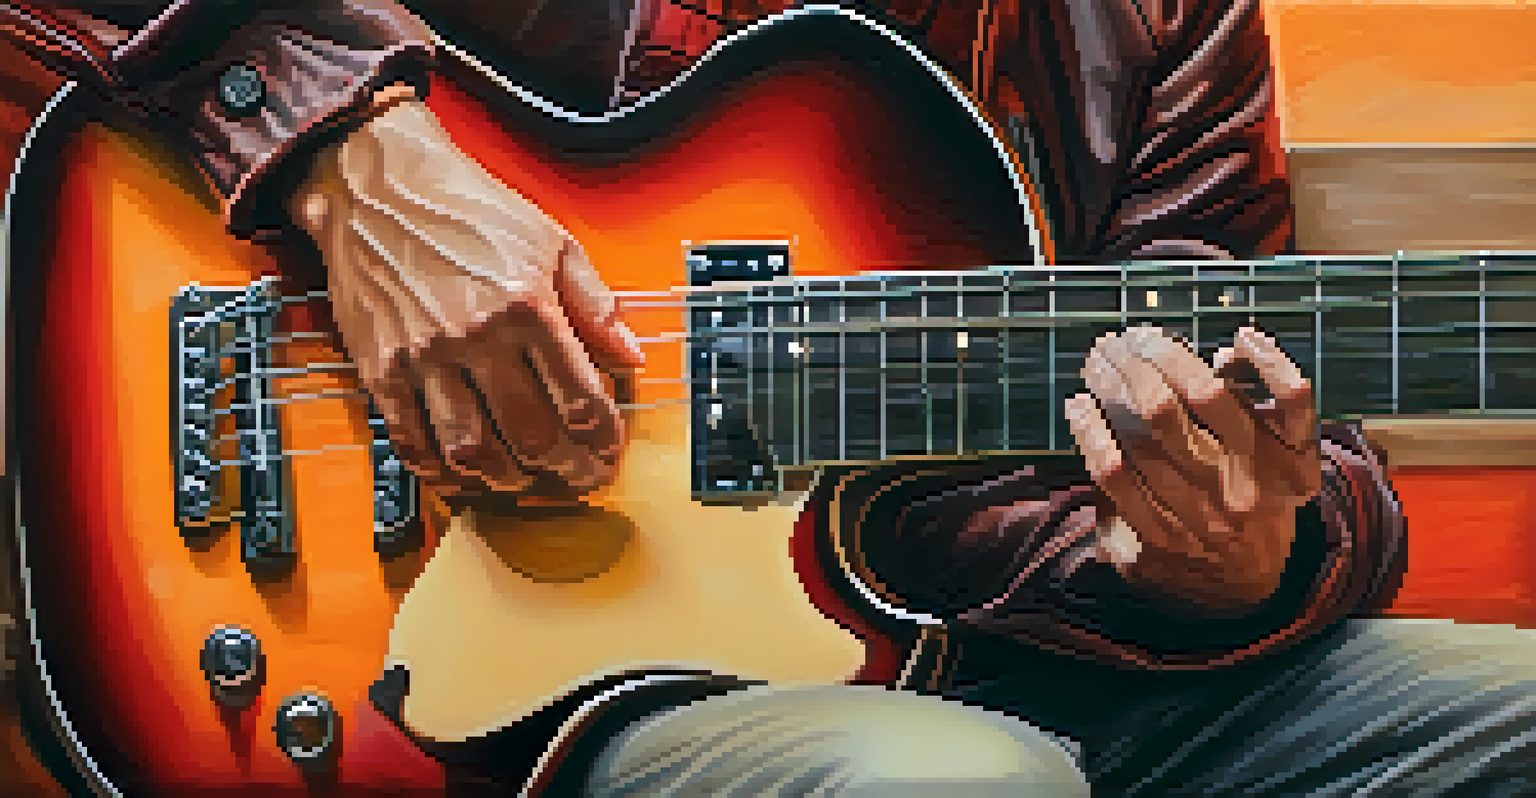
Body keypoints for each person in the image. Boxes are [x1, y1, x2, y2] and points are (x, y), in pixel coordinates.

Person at [2, 1, 1532, 795]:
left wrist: (1243, 556)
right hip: (551, 699)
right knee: (962, 783)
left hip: (1011, 650)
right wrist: (350, 152)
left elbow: (1254, 357)